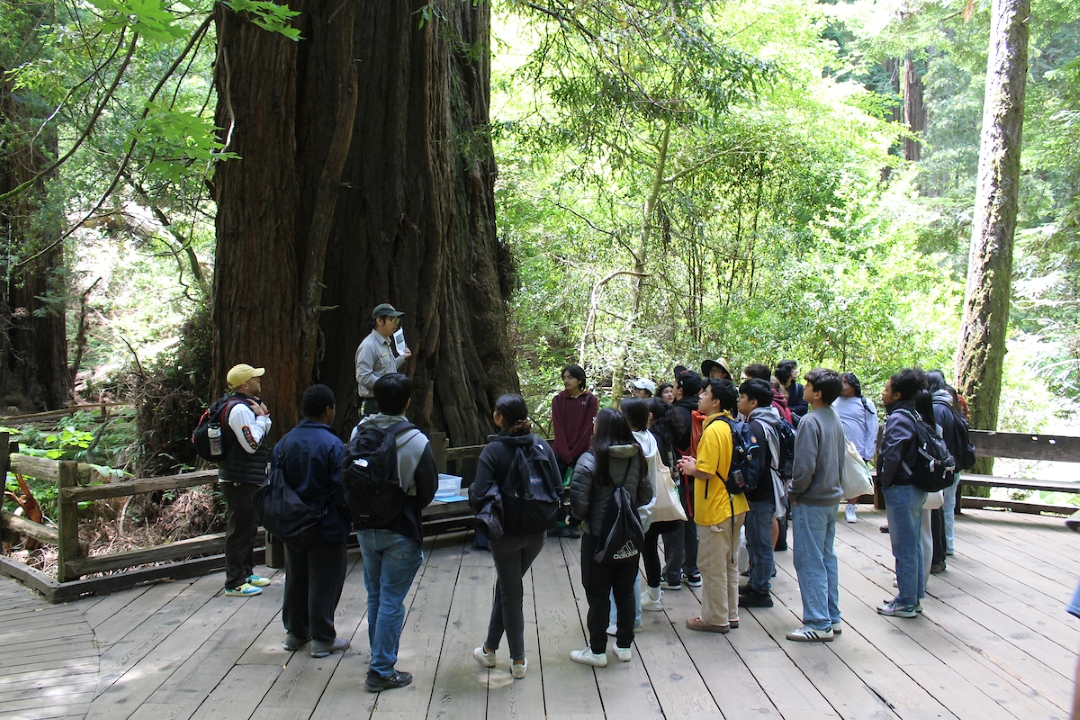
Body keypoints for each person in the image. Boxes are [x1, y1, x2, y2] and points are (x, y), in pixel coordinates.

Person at [354, 373, 437, 692]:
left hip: (364, 525)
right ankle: (381, 670)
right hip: (400, 527)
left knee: (375, 594)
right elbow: (427, 491)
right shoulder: (415, 439)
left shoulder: (358, 430)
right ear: (407, 401)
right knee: (391, 599)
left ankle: (379, 656)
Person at [470, 394, 561, 680]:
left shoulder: (493, 451)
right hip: (538, 532)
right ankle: (488, 648)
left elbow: (478, 494)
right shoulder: (542, 445)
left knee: (510, 592)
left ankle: (518, 659)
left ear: (500, 418)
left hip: (506, 533)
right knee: (508, 588)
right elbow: (557, 487)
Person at [569, 408, 652, 667]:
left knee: (597, 594)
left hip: (598, 537)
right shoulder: (637, 456)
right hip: (629, 534)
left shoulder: (590, 460)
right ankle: (624, 645)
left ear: (602, 429)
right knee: (625, 590)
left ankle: (596, 651)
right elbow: (646, 495)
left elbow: (579, 507)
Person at [272, 384, 350, 658]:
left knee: (296, 577)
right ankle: (323, 637)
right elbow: (341, 490)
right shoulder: (333, 445)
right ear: (328, 410)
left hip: (292, 525)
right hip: (326, 525)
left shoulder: (284, 443)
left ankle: (295, 633)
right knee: (325, 581)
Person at [677, 378, 747, 634]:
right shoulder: (729, 425)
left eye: (705, 393)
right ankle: (730, 613)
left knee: (711, 565)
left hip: (716, 508)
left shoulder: (713, 430)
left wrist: (689, 467)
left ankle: (715, 618)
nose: (700, 397)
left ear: (716, 401)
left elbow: (706, 472)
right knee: (729, 564)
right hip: (735, 504)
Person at [785, 369, 846, 642]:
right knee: (826, 558)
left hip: (811, 500)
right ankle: (832, 617)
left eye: (808, 386)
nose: (804, 389)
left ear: (817, 393)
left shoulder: (810, 422)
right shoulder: (834, 417)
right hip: (831, 498)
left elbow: (805, 466)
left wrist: (794, 492)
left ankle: (817, 622)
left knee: (809, 560)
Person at [877, 367, 929, 619]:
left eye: (887, 389)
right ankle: (913, 596)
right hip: (914, 488)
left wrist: (885, 483)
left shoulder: (898, 418)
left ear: (897, 395)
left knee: (904, 547)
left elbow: (892, 454)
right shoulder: (913, 413)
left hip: (901, 487)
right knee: (913, 544)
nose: (883, 393)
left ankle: (907, 601)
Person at [219, 363, 273, 597]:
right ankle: (235, 582)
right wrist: (261, 419)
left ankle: (246, 572)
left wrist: (262, 417)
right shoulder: (239, 410)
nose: (259, 381)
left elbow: (260, 432)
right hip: (238, 479)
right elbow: (251, 445)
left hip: (247, 477)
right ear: (245, 384)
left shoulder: (247, 407)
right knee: (239, 529)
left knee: (249, 526)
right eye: (255, 378)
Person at [637, 398, 686, 613]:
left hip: (652, 500)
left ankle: (654, 594)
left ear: (649, 416)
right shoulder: (665, 434)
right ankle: (654, 590)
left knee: (648, 548)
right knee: (652, 547)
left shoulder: (650, 438)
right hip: (665, 499)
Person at [736, 379, 781, 609]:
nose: (738, 400)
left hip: (761, 493)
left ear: (753, 402)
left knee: (760, 541)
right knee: (755, 540)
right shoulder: (768, 421)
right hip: (766, 491)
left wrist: (745, 487)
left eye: (742, 397)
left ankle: (761, 591)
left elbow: (756, 465)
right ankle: (756, 583)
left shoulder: (756, 427)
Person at [663, 369, 704, 590]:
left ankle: (672, 574)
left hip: (677, 471)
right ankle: (693, 570)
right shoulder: (703, 410)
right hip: (699, 472)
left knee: (675, 522)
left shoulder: (674, 413)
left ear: (680, 389)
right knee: (692, 522)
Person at [552, 364, 599, 538]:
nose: (566, 381)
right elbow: (558, 428)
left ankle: (575, 522)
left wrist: (575, 452)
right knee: (557, 488)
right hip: (561, 451)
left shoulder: (590, 400)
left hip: (582, 453)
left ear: (580, 380)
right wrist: (565, 452)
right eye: (564, 377)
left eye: (570, 377)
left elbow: (588, 428)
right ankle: (558, 521)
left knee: (579, 489)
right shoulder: (558, 400)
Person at [926, 370, 961, 568]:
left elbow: (935, 438)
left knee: (937, 509)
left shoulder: (937, 409)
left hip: (942, 467)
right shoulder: (950, 405)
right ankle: (947, 547)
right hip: (952, 464)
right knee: (944, 507)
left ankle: (938, 556)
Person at [833, 373, 878, 524]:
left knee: (855, 478)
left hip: (857, 447)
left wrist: (868, 451)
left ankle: (851, 507)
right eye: (841, 383)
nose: (843, 386)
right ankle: (833, 506)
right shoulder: (834, 401)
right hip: (837, 445)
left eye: (846, 383)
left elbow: (872, 428)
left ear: (854, 385)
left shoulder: (865, 403)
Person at [355, 303, 412, 417]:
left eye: (396, 320)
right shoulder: (369, 345)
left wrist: (401, 358)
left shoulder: (385, 343)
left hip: (386, 402)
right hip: (373, 404)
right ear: (379, 321)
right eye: (392, 319)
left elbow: (385, 370)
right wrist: (388, 387)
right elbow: (363, 376)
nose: (395, 324)